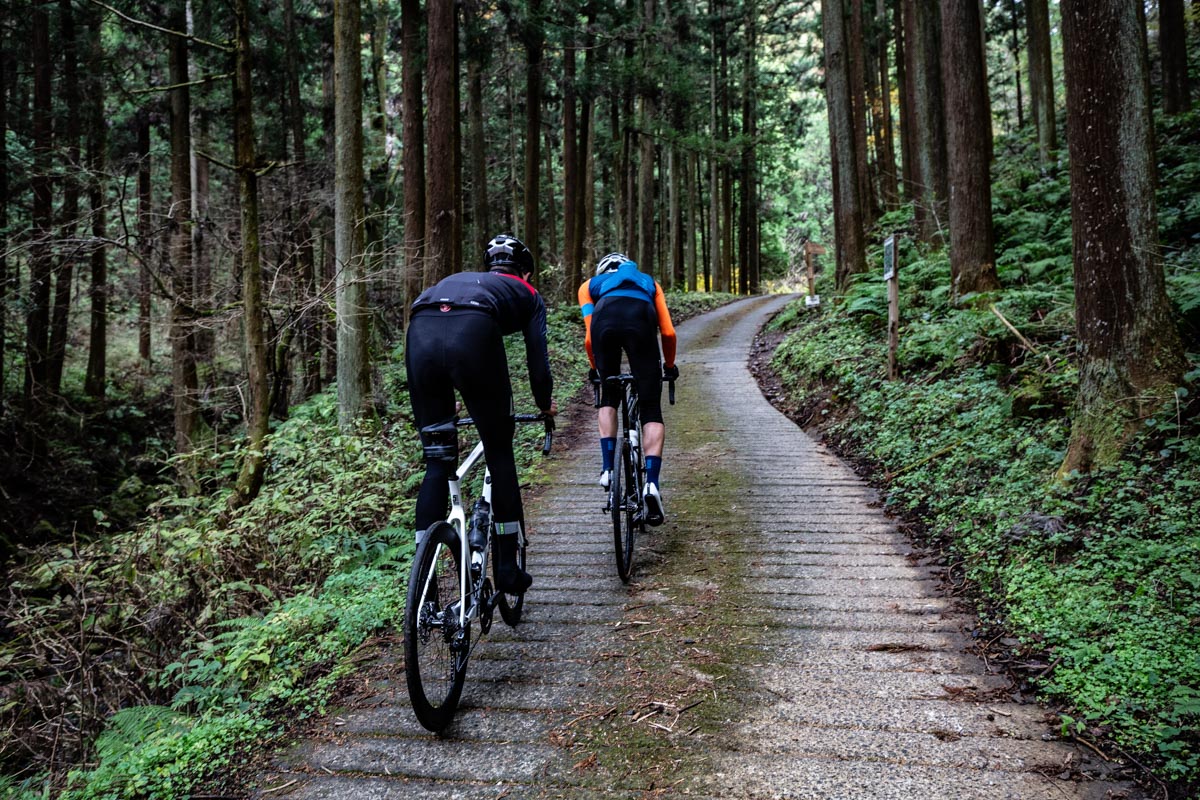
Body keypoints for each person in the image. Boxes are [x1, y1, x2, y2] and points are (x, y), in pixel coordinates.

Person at [406, 233, 557, 593]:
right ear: (527, 274)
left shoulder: (460, 282)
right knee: (499, 451)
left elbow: (442, 330)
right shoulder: (527, 294)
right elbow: (539, 362)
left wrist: (444, 396)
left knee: (437, 461)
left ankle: (422, 580)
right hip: (472, 332)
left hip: (421, 328)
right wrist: (543, 403)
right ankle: (506, 569)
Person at [577, 252, 678, 526]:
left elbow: (589, 339)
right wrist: (669, 366)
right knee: (650, 408)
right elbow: (668, 333)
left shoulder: (589, 287)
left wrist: (597, 370)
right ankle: (652, 485)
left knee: (608, 399)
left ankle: (609, 469)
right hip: (640, 317)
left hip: (604, 320)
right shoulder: (649, 283)